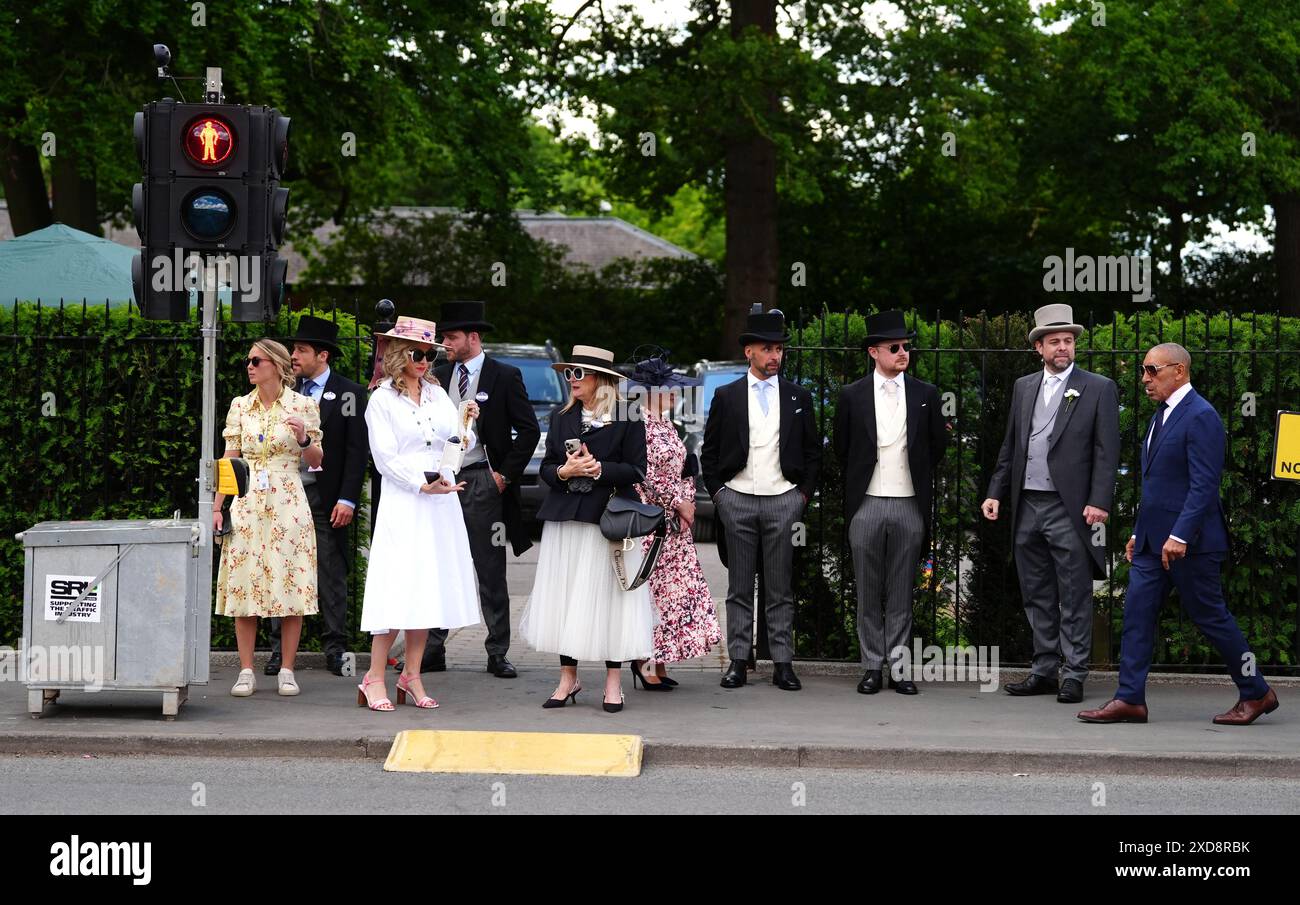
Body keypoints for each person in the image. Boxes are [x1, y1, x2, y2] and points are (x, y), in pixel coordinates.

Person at [1078, 343, 1280, 725]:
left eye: (1152, 371)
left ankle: (1257, 692)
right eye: (1143, 370)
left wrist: (1181, 535)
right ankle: (1130, 699)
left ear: (1179, 371)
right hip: (1154, 543)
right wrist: (1141, 533)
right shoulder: (1162, 416)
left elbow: (1204, 486)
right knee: (1136, 613)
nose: (1144, 379)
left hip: (1193, 545)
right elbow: (1156, 486)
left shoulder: (1201, 415)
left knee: (1211, 617)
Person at [982, 303, 1120, 704]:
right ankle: (1043, 669)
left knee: (1075, 591)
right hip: (1027, 504)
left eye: (1069, 341)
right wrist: (995, 491)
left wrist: (1099, 501)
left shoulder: (1098, 387)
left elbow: (1106, 451)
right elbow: (1011, 445)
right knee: (1036, 590)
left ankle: (1074, 672)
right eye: (1055, 341)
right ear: (1038, 347)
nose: (1064, 347)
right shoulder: (1024, 387)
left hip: (1071, 507)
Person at [355, 316, 482, 711]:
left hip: (440, 500)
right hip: (406, 500)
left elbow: (454, 444)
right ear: (397, 354)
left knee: (427, 587)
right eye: (417, 353)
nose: (425, 360)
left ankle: (411, 674)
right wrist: (420, 483)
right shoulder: (381, 400)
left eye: (430, 353)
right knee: (397, 585)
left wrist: (467, 427)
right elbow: (384, 457)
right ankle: (374, 676)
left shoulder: (437, 395)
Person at [519, 345, 652, 713]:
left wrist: (598, 470)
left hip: (608, 520)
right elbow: (546, 468)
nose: (572, 380)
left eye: (579, 374)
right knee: (565, 597)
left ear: (602, 379)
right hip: (567, 518)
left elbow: (636, 470)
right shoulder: (563, 417)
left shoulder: (628, 413)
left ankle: (613, 682)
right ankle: (568, 678)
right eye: (569, 374)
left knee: (611, 599)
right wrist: (564, 472)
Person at [701, 307, 821, 691]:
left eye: (779, 350)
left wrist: (801, 496)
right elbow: (710, 451)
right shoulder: (727, 395)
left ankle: (782, 662)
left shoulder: (799, 396)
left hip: (783, 499)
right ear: (749, 351)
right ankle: (738, 659)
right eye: (767, 349)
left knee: (780, 587)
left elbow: (812, 451)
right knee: (738, 586)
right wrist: (719, 494)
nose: (775, 356)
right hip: (737, 498)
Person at [422, 300, 541, 678]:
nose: (444, 342)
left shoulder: (504, 375)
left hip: (480, 480)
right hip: (442, 482)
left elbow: (529, 431)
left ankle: (497, 650)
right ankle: (433, 647)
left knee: (490, 569)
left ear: (473, 338)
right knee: (440, 564)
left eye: (451, 336)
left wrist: (502, 477)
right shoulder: (438, 374)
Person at [834, 311, 947, 696]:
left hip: (909, 503)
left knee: (901, 590)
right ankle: (871, 667)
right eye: (894, 347)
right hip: (866, 502)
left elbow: (936, 448)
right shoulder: (851, 395)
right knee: (867, 589)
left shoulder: (926, 395)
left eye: (906, 347)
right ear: (873, 352)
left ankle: (899, 668)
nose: (903, 353)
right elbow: (842, 448)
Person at [214, 339, 321, 698]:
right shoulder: (240, 406)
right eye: (248, 360)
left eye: (256, 361)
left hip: (288, 500)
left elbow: (318, 461)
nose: (250, 366)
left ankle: (287, 669)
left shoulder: (303, 405)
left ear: (275, 365)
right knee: (245, 583)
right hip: (246, 500)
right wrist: (218, 507)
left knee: (290, 583)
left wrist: (304, 438)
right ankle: (246, 670)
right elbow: (229, 460)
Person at [265, 315, 368, 678]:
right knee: (282, 568)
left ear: (322, 355)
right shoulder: (281, 393)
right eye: (293, 349)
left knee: (331, 571)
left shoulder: (351, 393)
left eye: (301, 350)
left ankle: (335, 647)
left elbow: (357, 453)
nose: (294, 356)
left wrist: (348, 499)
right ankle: (278, 650)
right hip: (285, 495)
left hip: (327, 498)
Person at [627, 349, 721, 689]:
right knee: (654, 593)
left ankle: (659, 659)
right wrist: (678, 503)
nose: (675, 394)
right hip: (654, 522)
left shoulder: (666, 421)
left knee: (671, 596)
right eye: (669, 388)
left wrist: (689, 500)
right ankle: (644, 660)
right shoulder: (638, 423)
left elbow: (681, 467)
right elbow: (646, 474)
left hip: (674, 524)